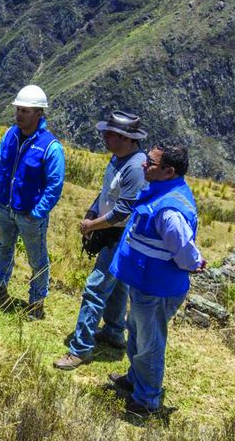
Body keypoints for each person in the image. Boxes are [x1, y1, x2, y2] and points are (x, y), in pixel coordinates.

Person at [109, 143, 206, 416]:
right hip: (144, 282)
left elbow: (183, 249)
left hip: (156, 287)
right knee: (138, 334)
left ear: (168, 171)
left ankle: (147, 400)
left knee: (150, 344)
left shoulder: (169, 211)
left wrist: (195, 262)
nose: (143, 165)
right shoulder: (162, 191)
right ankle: (135, 379)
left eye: (150, 163)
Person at [53, 111, 148, 370]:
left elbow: (123, 212)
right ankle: (114, 332)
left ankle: (80, 349)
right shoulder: (119, 159)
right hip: (113, 235)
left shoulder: (135, 168)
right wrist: (93, 210)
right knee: (117, 286)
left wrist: (91, 224)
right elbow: (107, 193)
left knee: (95, 289)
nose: (105, 138)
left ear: (128, 139)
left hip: (120, 238)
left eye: (112, 134)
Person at [0, 84, 65, 319]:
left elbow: (54, 185)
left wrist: (38, 212)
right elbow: (1, 166)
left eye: (25, 111)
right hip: (6, 206)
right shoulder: (11, 134)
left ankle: (36, 302)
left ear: (39, 113)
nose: (19, 114)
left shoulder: (50, 146)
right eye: (18, 109)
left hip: (29, 214)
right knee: (3, 247)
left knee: (37, 258)